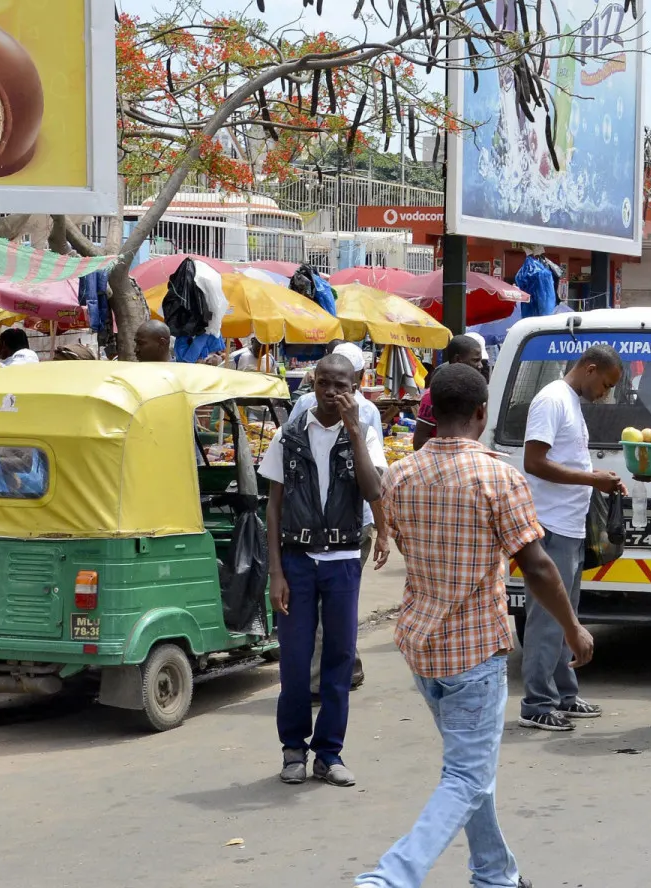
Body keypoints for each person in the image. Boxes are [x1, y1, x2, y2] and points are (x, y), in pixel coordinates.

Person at [359, 363, 591, 888]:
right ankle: (390, 879)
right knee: (466, 775)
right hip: (474, 655)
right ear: (482, 414)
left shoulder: (400, 475)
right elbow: (537, 566)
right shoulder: (498, 476)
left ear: (433, 413)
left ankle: (495, 875)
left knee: (472, 771)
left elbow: (402, 541)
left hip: (422, 648)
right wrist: (573, 628)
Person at [263, 353, 385, 788]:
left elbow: (373, 491)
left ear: (355, 388)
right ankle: (293, 749)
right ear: (313, 384)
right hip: (296, 561)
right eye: (325, 384)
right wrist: (276, 571)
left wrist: (353, 431)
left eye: (342, 386)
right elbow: (273, 508)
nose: (333, 393)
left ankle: (329, 753)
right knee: (294, 663)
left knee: (338, 660)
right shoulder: (288, 436)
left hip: (342, 561)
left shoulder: (366, 434)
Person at [518, 344, 623, 732]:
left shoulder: (571, 402)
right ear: (590, 369)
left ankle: (564, 693)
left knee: (567, 617)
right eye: (606, 385)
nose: (605, 394)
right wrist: (592, 479)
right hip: (550, 524)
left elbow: (567, 459)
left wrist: (599, 481)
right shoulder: (552, 400)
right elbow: (535, 462)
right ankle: (536, 703)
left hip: (570, 524)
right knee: (548, 618)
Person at [412, 335, 485, 451]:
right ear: (457, 359)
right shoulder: (433, 395)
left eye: (480, 360)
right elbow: (419, 442)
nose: (480, 365)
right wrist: (455, 447)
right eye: (475, 360)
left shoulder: (476, 393)